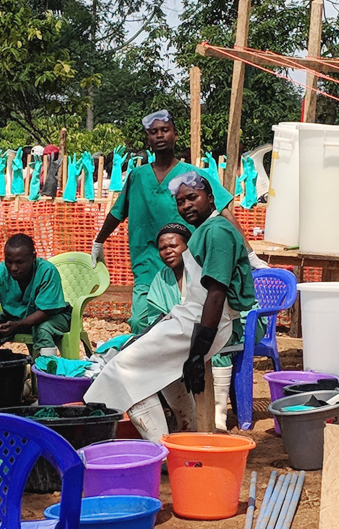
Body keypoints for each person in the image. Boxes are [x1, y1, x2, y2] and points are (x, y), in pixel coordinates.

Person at [84, 171, 255, 440]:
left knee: (120, 373)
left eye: (192, 197)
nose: (185, 205)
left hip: (203, 324)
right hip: (194, 319)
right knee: (164, 375)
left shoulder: (218, 232)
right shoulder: (206, 231)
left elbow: (216, 294)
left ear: (211, 199)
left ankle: (161, 452)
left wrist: (199, 350)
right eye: (180, 201)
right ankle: (188, 436)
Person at [90, 110, 265, 333]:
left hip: (189, 267)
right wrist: (99, 242)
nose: (160, 136)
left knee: (186, 324)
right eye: (154, 132)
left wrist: (249, 253)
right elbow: (117, 212)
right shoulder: (137, 177)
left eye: (165, 130)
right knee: (141, 323)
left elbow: (224, 210)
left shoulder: (192, 175)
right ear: (148, 139)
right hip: (147, 265)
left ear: (175, 135)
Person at [143, 222, 262, 431]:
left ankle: (217, 417)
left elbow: (226, 306)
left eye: (173, 245)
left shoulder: (207, 267)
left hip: (231, 325)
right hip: (184, 332)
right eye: (162, 248)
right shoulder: (162, 278)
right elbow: (155, 314)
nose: (167, 251)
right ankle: (184, 416)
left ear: (188, 247)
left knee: (211, 346)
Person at [0, 234, 72, 356]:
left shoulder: (47, 271)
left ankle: (44, 371)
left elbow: (45, 312)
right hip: (14, 319)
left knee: (43, 330)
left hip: (52, 317)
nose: (13, 268)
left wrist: (17, 325)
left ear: (33, 257)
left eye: (20, 262)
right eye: (9, 262)